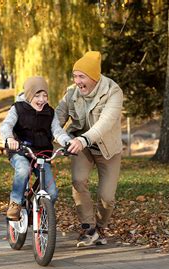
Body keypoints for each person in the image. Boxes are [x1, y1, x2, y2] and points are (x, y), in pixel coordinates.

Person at [55, 51, 124, 247]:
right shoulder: (71, 93)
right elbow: (57, 117)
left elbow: (106, 123)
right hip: (80, 147)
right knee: (78, 180)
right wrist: (58, 135)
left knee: (107, 197)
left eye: (81, 76)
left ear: (94, 76)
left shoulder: (113, 91)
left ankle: (101, 227)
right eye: (75, 76)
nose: (77, 81)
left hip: (108, 149)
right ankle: (88, 228)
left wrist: (84, 139)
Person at [0, 76, 71, 220]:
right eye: (37, 95)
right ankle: (15, 203)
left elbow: (57, 131)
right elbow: (6, 125)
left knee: (52, 193)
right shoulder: (18, 108)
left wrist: (67, 142)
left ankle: (38, 215)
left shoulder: (49, 112)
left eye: (45, 95)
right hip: (20, 151)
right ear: (29, 95)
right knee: (23, 170)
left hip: (41, 154)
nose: (42, 99)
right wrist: (9, 138)